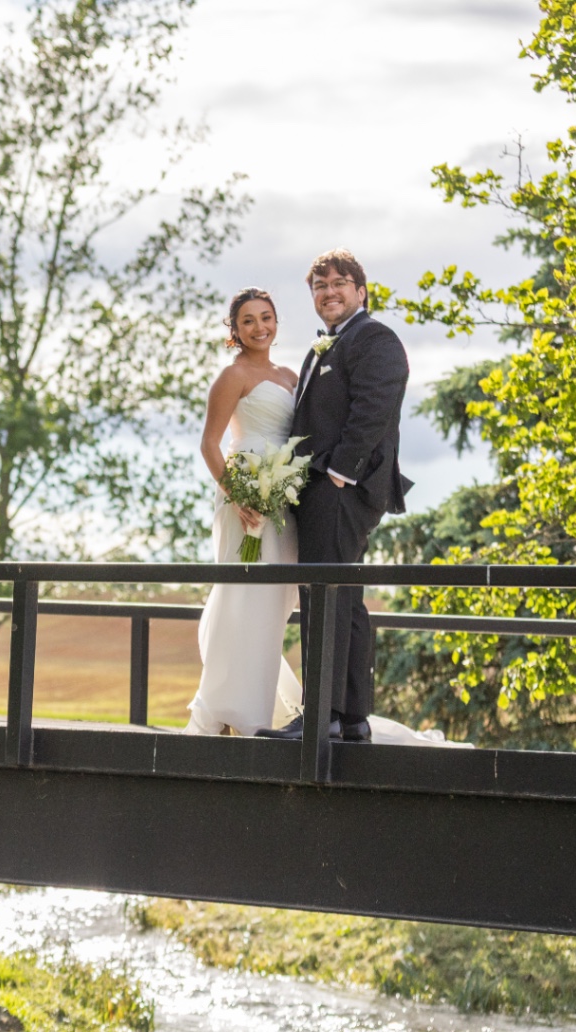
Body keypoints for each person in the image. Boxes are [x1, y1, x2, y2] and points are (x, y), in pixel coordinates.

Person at [256, 249, 411, 744]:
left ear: (361, 291)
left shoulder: (375, 339)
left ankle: (319, 716)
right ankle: (349, 719)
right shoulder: (326, 345)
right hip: (320, 489)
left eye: (339, 283)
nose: (329, 292)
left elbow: (373, 410)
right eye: (320, 287)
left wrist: (341, 474)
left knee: (322, 594)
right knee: (342, 599)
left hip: (342, 488)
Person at [185, 288, 301, 735]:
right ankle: (234, 710)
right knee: (243, 594)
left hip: (284, 497)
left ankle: (259, 701)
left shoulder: (291, 375)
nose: (259, 327)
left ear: (276, 320)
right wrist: (237, 495)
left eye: (266, 317)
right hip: (246, 495)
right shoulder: (232, 376)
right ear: (235, 330)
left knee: (274, 599)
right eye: (248, 320)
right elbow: (209, 444)